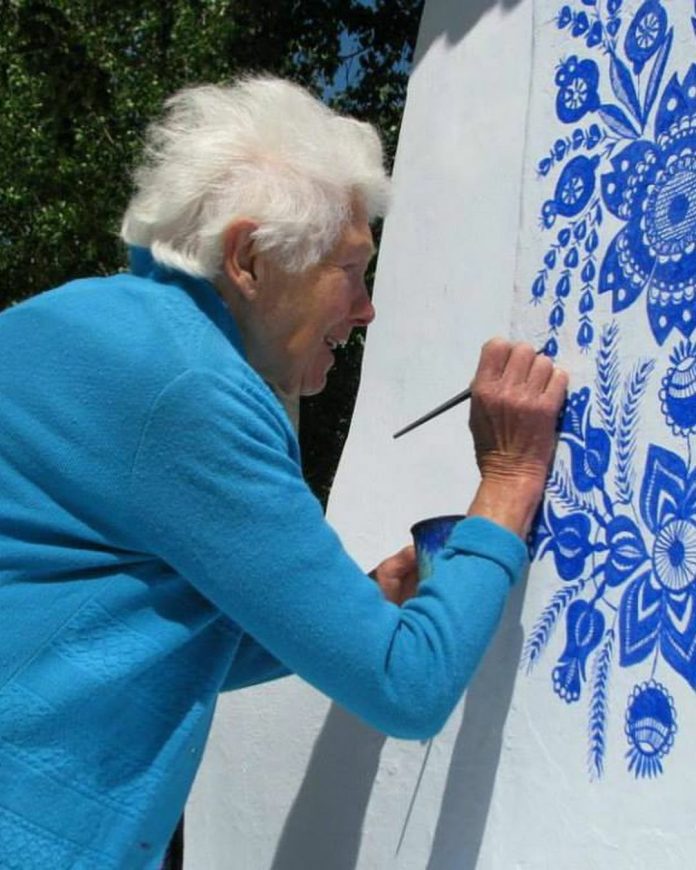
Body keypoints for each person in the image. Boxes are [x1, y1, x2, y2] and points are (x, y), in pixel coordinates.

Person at [0, 76, 568, 868]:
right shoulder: (189, 388)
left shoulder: (70, 326)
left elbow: (145, 637)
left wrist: (357, 604)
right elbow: (406, 687)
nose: (367, 310)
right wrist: (507, 480)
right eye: (351, 269)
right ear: (249, 258)